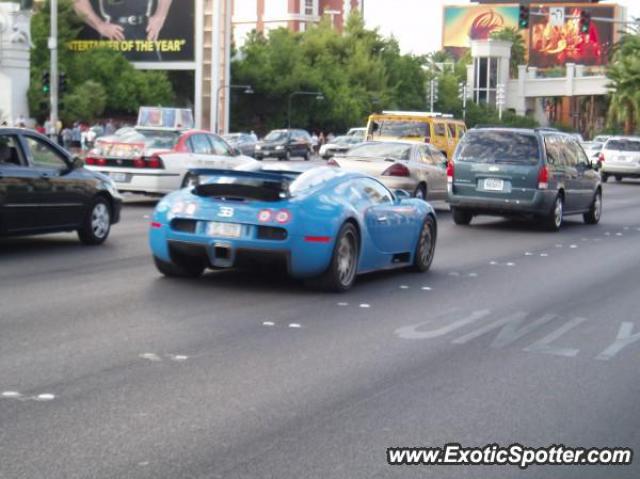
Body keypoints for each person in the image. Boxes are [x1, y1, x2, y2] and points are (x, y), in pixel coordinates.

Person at [73, 0, 174, 61]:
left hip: (145, 33)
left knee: (154, 85)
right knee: (114, 86)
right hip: (115, 34)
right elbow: (78, 1)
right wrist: (99, 25)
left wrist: (160, 16)